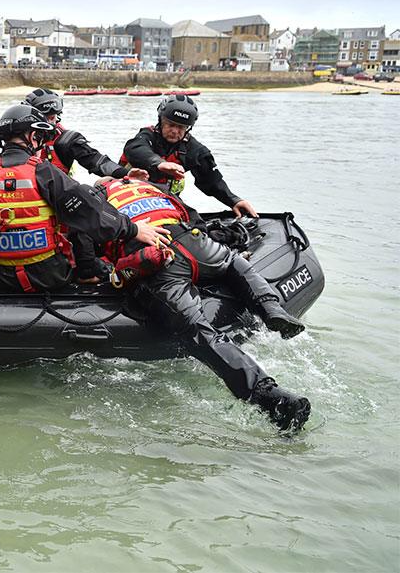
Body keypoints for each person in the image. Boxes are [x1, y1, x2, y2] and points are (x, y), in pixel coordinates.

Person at [99, 176, 310, 430]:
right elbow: (191, 216)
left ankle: (270, 396)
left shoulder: (97, 198)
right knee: (234, 262)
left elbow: (86, 245)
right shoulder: (152, 189)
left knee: (198, 331)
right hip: (196, 242)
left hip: (160, 261)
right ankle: (272, 310)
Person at [0, 103, 170, 293]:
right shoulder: (46, 173)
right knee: (83, 200)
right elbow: (89, 213)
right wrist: (133, 229)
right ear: (32, 136)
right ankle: (88, 273)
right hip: (48, 276)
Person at [23, 87, 148, 283]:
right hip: (27, 200)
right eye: (45, 116)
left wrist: (125, 174)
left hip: (60, 198)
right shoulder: (18, 136)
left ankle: (87, 271)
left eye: (53, 117)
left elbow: (96, 160)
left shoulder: (66, 140)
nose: (50, 122)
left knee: (85, 200)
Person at [122, 94, 257, 217]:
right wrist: (159, 163)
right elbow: (134, 149)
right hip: (130, 199)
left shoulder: (193, 149)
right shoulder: (146, 136)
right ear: (161, 121)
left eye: (181, 127)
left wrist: (233, 200)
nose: (175, 131)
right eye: (171, 125)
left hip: (165, 203)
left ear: (188, 128)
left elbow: (211, 180)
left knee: (193, 219)